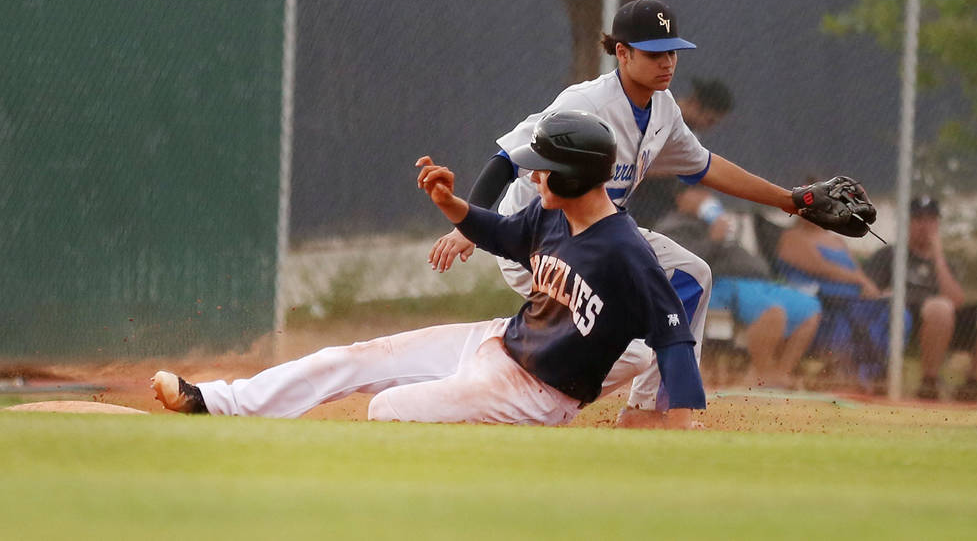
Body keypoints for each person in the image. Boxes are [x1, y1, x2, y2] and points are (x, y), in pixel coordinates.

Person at [152, 111, 705, 428]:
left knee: (388, 409)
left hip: (538, 394)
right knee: (348, 359)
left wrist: (679, 433)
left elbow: (673, 336)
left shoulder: (626, 253)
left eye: (543, 170)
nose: (534, 178)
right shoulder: (551, 215)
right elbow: (505, 235)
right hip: (498, 342)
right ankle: (215, 401)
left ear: (577, 176)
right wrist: (452, 205)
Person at [428, 0, 827, 426]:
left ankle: (648, 412)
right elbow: (506, 158)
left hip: (600, 240)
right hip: (537, 239)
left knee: (691, 275)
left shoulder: (663, 109)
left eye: (672, 52)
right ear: (622, 52)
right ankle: (492, 377)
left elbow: (706, 167)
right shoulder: (585, 103)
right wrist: (469, 225)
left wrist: (791, 201)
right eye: (654, 53)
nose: (667, 63)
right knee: (622, 343)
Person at [654, 185, 821, 388]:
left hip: (759, 282)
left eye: (706, 192)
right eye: (696, 192)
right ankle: (760, 374)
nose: (704, 197)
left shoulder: (714, 221)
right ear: (680, 198)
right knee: (772, 312)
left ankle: (779, 374)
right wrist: (713, 239)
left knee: (810, 308)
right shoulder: (673, 225)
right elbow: (679, 265)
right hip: (725, 283)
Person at [864, 196, 977, 402]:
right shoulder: (890, 255)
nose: (925, 225)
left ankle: (972, 386)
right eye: (918, 219)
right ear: (908, 222)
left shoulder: (947, 263)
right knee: (939, 307)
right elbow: (867, 292)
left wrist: (937, 256)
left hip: (946, 323)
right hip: (906, 322)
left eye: (931, 219)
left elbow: (956, 300)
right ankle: (928, 383)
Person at [775, 213, 910, 390]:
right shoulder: (792, 238)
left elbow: (859, 273)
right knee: (845, 325)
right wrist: (859, 280)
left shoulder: (837, 241)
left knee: (899, 315)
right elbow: (821, 267)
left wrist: (870, 289)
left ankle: (872, 374)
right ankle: (845, 376)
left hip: (855, 303)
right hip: (825, 305)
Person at [628, 77, 734, 229]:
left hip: (663, 206)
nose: (710, 127)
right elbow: (633, 165)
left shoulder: (689, 131)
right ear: (695, 105)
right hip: (637, 203)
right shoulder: (660, 118)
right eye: (710, 120)